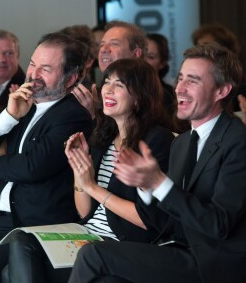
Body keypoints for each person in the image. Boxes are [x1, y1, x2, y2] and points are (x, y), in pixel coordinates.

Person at [68, 43, 246, 283]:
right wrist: (145, 187)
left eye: (192, 81)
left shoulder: (238, 141)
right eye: (180, 78)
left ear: (221, 91)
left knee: (93, 255)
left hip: (213, 261)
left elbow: (218, 225)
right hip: (172, 248)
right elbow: (167, 214)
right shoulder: (182, 142)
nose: (180, 89)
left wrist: (158, 183)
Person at [2, 58, 175, 283]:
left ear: (140, 96)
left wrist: (93, 187)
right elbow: (85, 212)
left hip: (122, 244)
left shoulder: (155, 139)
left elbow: (147, 220)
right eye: (107, 82)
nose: (108, 90)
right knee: (22, 240)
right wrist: (79, 170)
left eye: (119, 85)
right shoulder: (103, 137)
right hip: (87, 236)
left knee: (13, 272)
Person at [0, 32, 93, 283]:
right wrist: (7, 118)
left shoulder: (72, 116)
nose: (33, 74)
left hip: (33, 226)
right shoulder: (22, 106)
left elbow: (31, 168)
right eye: (33, 64)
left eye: (45, 68)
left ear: (71, 78)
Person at [72, 20, 147, 120]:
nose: (104, 49)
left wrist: (93, 116)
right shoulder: (95, 94)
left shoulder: (151, 93)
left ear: (136, 53)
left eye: (114, 44)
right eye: (102, 44)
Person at [192, 23, 246, 111]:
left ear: (225, 50)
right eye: (198, 46)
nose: (200, 51)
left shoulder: (241, 86)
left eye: (206, 46)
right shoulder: (193, 82)